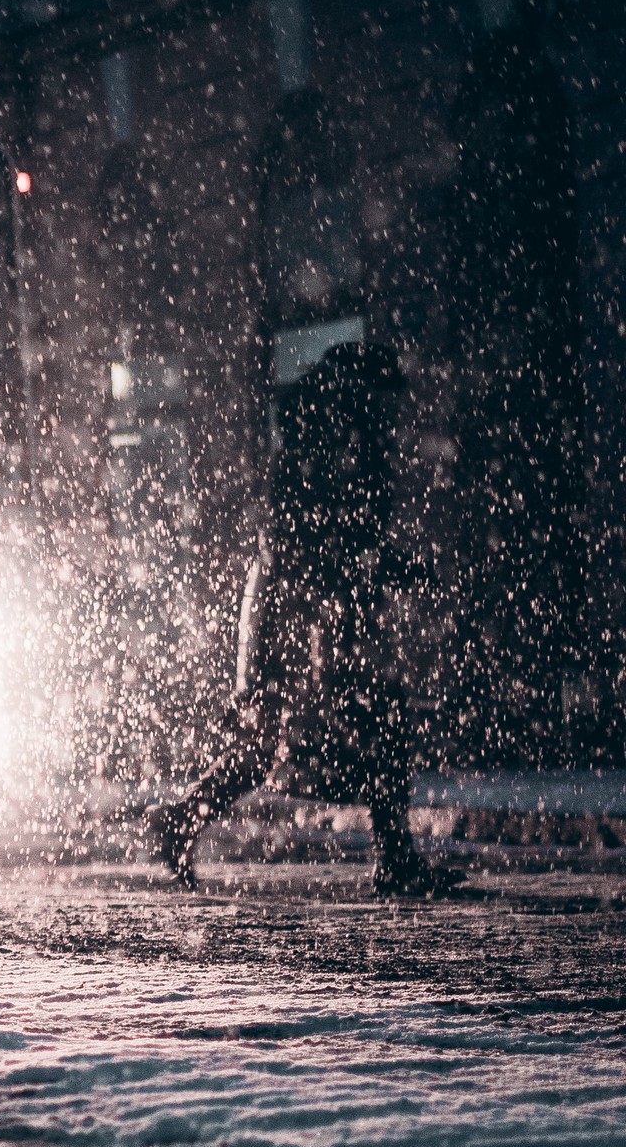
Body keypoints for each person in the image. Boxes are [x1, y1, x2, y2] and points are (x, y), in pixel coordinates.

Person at [150, 339, 446, 897]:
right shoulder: (322, 441)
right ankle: (394, 856)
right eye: (382, 400)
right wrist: (363, 573)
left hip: (316, 610)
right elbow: (300, 537)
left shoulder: (341, 440)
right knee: (353, 719)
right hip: (298, 612)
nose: (392, 412)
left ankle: (181, 822)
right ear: (357, 396)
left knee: (295, 736)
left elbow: (347, 533)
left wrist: (389, 568)